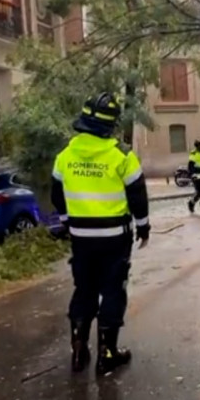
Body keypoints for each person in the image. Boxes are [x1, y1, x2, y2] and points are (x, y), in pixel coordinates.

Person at [51, 92, 151, 375]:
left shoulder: (65, 156)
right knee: (112, 290)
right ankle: (107, 353)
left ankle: (78, 347)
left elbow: (56, 194)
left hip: (81, 237)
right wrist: (143, 227)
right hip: (114, 238)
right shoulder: (121, 156)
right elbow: (137, 195)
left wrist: (66, 221)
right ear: (111, 125)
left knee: (84, 288)